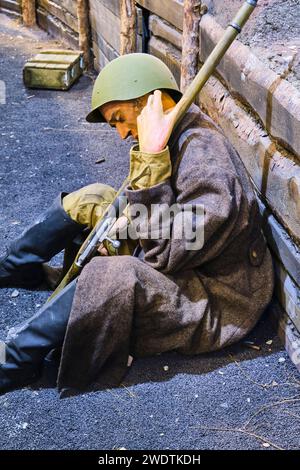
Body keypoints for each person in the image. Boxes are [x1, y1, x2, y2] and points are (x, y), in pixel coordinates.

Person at [0, 53, 274, 396]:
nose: (120, 134)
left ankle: (15, 362)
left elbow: (163, 255)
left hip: (217, 301)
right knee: (95, 199)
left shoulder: (206, 160)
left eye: (119, 118)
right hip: (190, 265)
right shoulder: (178, 132)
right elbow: (155, 219)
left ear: (149, 102)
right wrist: (122, 227)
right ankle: (16, 268)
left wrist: (151, 160)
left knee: (114, 275)